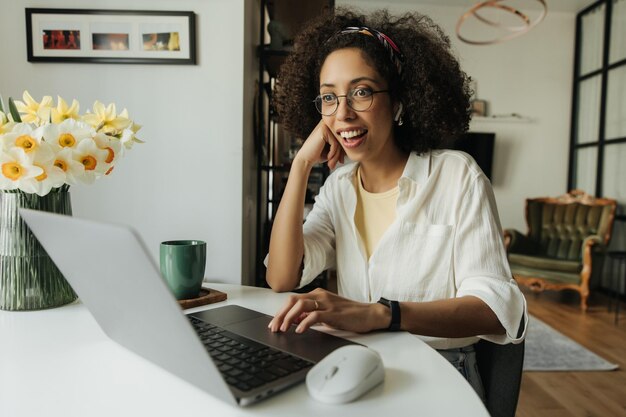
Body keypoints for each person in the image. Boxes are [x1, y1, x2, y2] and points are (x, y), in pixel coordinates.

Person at [264, 8, 527, 400]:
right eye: (329, 97)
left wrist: (384, 314)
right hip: (357, 362)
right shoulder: (339, 187)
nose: (343, 113)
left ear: (400, 101)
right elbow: (283, 277)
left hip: (441, 370)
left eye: (361, 91)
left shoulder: (457, 176)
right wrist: (301, 163)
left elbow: (495, 309)